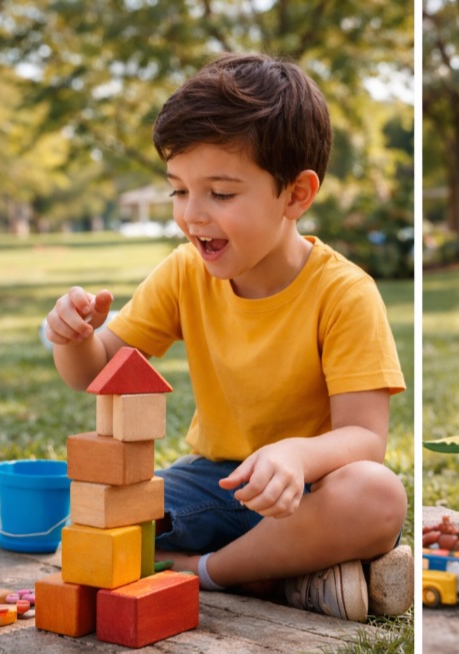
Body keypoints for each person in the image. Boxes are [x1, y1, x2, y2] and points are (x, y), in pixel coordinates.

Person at [46, 53, 411, 622]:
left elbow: (365, 437)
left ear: (295, 195)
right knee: (93, 518)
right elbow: (95, 376)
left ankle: (205, 572)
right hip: (212, 482)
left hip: (308, 492)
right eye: (178, 191)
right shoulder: (183, 272)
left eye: (220, 193)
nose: (193, 216)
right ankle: (284, 578)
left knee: (378, 496)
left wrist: (295, 454)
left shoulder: (345, 293)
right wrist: (72, 338)